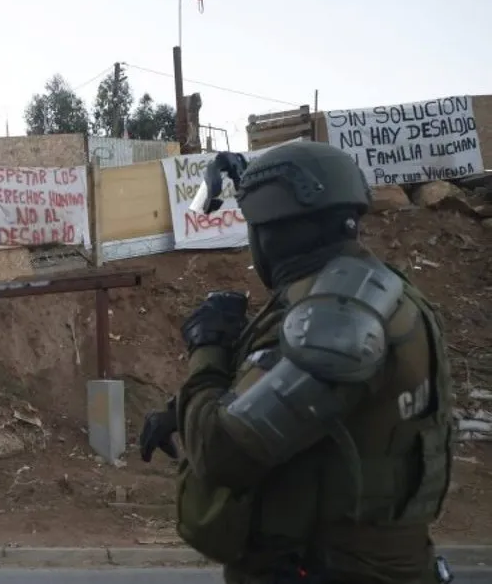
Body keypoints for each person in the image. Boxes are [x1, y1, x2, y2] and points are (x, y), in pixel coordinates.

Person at [139, 142, 455, 584]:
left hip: (330, 569)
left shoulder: (338, 319)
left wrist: (207, 348)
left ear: (275, 232)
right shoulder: (365, 294)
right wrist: (181, 410)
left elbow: (223, 452)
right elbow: (307, 409)